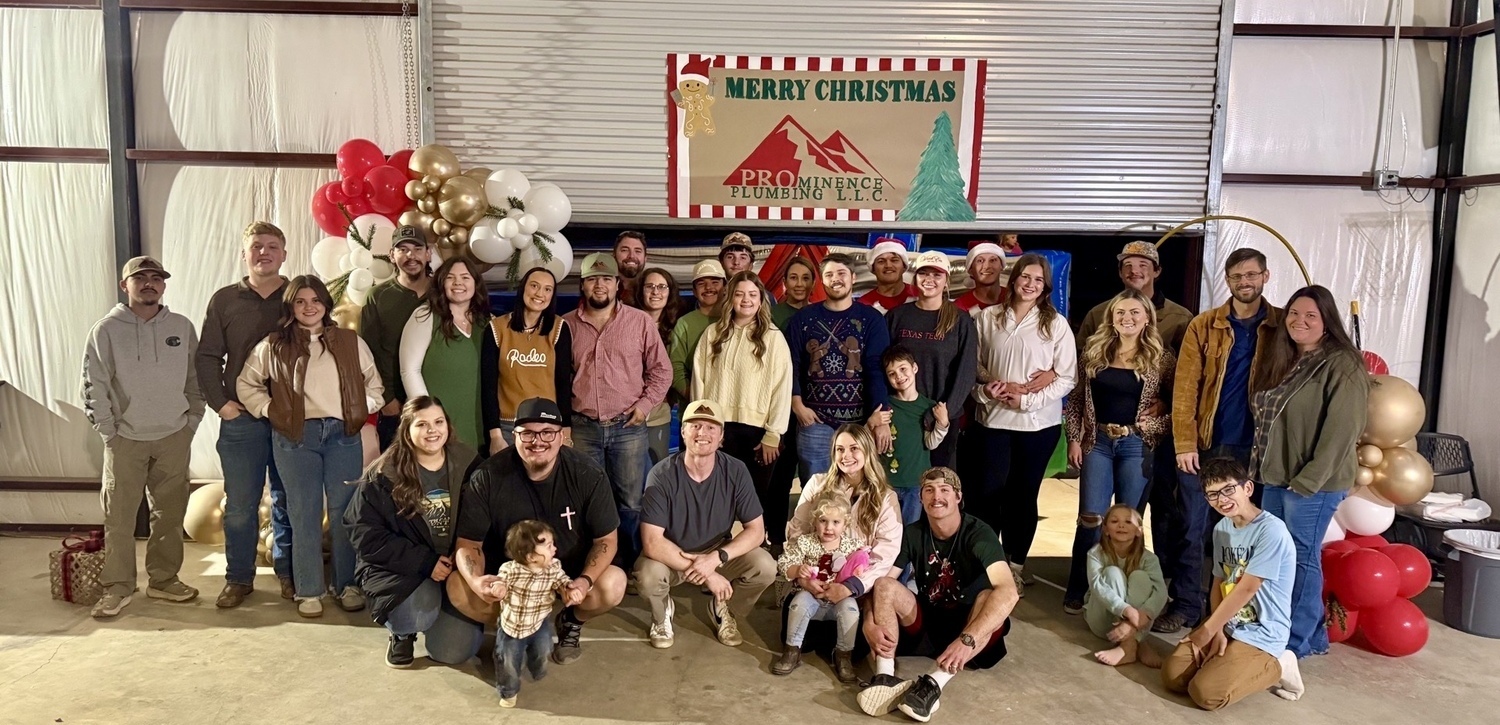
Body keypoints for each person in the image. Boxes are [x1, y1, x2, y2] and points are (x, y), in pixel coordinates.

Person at [237, 275, 383, 617]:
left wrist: (361, 408)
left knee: (345, 512)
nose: (309, 307)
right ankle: (309, 590)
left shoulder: (350, 342)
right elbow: (247, 384)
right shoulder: (273, 345)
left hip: (342, 437)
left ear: (325, 304)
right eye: (300, 301)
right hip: (295, 438)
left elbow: (374, 384)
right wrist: (269, 409)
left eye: (315, 300)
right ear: (290, 306)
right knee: (303, 513)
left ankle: (346, 585)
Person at [1160, 247, 1283, 633]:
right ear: (1227, 280)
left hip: (1257, 451)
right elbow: (1185, 389)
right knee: (1192, 528)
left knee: (1245, 532)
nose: (1244, 282)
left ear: (1265, 276)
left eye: (1251, 275)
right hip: (1207, 446)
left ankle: (1235, 613)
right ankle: (1186, 605)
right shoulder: (1204, 325)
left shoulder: (1281, 325)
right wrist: (1184, 444)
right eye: (1237, 276)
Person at [453, 397, 627, 666]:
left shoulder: (588, 474)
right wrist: (477, 581)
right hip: (510, 580)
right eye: (528, 433)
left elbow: (606, 540)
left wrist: (584, 581)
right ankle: (516, 629)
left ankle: (571, 621)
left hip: (567, 575)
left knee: (613, 584)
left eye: (547, 432)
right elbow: (468, 542)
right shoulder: (487, 476)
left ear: (561, 436)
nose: (538, 441)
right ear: (514, 435)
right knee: (457, 586)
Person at [82, 256, 206, 618]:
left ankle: (164, 580)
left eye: (156, 278)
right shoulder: (106, 330)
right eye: (140, 278)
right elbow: (93, 384)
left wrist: (191, 422)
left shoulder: (181, 327)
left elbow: (195, 379)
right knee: (119, 518)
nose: (149, 283)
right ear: (126, 285)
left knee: (169, 515)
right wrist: (109, 432)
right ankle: (118, 587)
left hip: (173, 436)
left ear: (164, 285)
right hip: (125, 439)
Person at [1251, 285, 1369, 659]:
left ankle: (1294, 642)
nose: (1299, 321)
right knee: (1278, 557)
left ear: (1327, 321)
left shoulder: (1342, 363)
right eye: (1293, 314)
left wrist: (1309, 480)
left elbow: (1343, 429)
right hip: (1276, 477)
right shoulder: (1287, 359)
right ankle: (1309, 633)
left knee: (1301, 558)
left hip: (1311, 483)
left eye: (1310, 316)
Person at [858, 467, 1018, 722]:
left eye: (945, 490)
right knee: (884, 585)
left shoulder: (979, 533)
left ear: (958, 497)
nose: (937, 496)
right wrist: (869, 621)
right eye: (929, 490)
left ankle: (933, 684)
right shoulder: (914, 532)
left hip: (972, 629)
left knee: (990, 596)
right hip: (930, 622)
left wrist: (966, 640)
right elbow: (881, 584)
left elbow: (1009, 592)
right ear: (920, 498)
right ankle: (885, 676)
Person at [345, 396, 484, 669]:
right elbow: (363, 534)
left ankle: (446, 618)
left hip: (456, 567)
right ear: (406, 431)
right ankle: (402, 633)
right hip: (405, 570)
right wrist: (424, 562)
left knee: (454, 652)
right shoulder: (384, 474)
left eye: (438, 422)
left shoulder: (470, 464)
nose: (432, 430)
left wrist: (469, 560)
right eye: (422, 424)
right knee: (416, 613)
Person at [200, 221, 296, 608]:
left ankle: (289, 574)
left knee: (288, 501)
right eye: (257, 246)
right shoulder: (225, 300)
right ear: (245, 254)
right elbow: (207, 356)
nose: (264, 252)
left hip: (291, 419)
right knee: (240, 506)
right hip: (241, 421)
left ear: (284, 254)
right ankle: (239, 578)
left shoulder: (298, 296)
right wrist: (221, 404)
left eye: (272, 246)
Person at [1062, 289, 1175, 612]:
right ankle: (1079, 587)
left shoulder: (1161, 358)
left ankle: (1124, 590)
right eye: (1121, 312)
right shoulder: (1093, 352)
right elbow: (1076, 400)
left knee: (1129, 521)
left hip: (1137, 444)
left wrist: (1154, 421)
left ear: (1147, 318)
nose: (1127, 318)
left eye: (1135, 312)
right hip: (1097, 442)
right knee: (1091, 518)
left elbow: (1177, 406)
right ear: (1111, 317)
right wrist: (1074, 438)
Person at [970, 253, 1076, 591]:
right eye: (1025, 277)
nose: (1030, 284)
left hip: (1037, 426)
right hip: (993, 422)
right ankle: (988, 564)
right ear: (1014, 278)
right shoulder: (987, 318)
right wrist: (990, 386)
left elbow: (1067, 377)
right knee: (987, 495)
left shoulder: (1055, 324)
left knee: (1023, 496)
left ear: (1045, 287)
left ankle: (1015, 564)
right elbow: (973, 367)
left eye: (1038, 280)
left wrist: (1027, 399)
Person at [1162, 458, 1303, 710]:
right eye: (1213, 494)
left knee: (1206, 694)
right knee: (1173, 676)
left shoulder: (1271, 531)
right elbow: (1218, 579)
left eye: (1228, 489)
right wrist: (1217, 629)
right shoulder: (1222, 528)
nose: (1222, 499)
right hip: (1229, 622)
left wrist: (1206, 631)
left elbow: (1248, 588)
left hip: (1262, 630)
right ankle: (1226, 662)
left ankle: (1281, 664)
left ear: (1247, 488)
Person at [637, 400, 778, 649]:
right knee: (649, 577)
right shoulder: (661, 474)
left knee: (765, 566)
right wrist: (708, 574)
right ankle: (661, 615)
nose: (703, 433)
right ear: (683, 432)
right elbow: (652, 542)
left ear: (721, 436)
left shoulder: (735, 470)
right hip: (673, 554)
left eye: (711, 427)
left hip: (717, 551)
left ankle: (725, 608)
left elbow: (756, 531)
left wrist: (717, 558)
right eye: (695, 426)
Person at [565, 253, 672, 567]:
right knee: (586, 498)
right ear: (582, 285)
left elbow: (662, 371)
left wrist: (644, 406)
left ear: (617, 284)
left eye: (606, 279)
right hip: (582, 427)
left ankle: (631, 565)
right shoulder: (566, 325)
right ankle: (594, 566)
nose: (599, 285)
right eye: (592, 279)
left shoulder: (639, 322)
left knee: (631, 501)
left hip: (628, 427)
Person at [691, 271, 793, 534]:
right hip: (720, 429)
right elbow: (699, 382)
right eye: (739, 294)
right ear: (730, 298)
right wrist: (704, 427)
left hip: (759, 432)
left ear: (761, 300)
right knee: (717, 494)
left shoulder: (773, 337)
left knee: (755, 498)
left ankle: (755, 547)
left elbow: (782, 388)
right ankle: (715, 545)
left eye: (752, 294)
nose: (746, 300)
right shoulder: (713, 334)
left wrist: (773, 433)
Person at [786, 253, 893, 476]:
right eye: (829, 275)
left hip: (860, 422)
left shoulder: (871, 319)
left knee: (857, 487)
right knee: (816, 489)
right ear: (822, 281)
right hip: (814, 421)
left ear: (853, 277)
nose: (836, 279)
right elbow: (790, 365)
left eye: (841, 273)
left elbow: (877, 368)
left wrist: (881, 416)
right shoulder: (803, 319)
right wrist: (797, 404)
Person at [788, 425, 903, 609]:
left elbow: (886, 553)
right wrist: (803, 577)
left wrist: (851, 586)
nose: (846, 456)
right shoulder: (817, 485)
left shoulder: (885, 498)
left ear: (867, 451)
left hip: (858, 588)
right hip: (814, 582)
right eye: (840, 449)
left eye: (854, 448)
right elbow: (797, 533)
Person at [886, 251, 976, 468]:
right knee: (902, 474)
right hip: (903, 413)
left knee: (939, 477)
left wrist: (943, 413)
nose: (929, 279)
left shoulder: (960, 320)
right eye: (923, 273)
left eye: (937, 274)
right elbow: (883, 365)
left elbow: (966, 372)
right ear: (914, 278)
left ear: (946, 281)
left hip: (941, 414)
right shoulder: (897, 316)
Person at [774, 492, 869, 680]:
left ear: (845, 524)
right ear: (814, 521)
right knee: (798, 604)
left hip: (839, 599)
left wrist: (859, 570)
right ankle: (792, 650)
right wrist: (798, 570)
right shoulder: (805, 542)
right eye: (823, 521)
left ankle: (844, 655)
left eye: (836, 522)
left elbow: (864, 563)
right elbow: (784, 563)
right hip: (810, 595)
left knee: (851, 610)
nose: (829, 527)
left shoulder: (852, 546)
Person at [399, 256, 490, 450]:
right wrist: (427, 417)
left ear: (476, 284)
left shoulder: (487, 322)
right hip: (439, 427)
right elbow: (409, 370)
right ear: (441, 283)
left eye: (465, 277)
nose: (458, 283)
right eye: (450, 277)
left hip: (478, 424)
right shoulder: (425, 316)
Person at [480, 266, 572, 452]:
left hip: (547, 425)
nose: (540, 294)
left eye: (547, 289)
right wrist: (495, 436)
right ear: (523, 288)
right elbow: (488, 386)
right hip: (508, 426)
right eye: (534, 286)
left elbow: (563, 385)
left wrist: (566, 433)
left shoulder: (559, 328)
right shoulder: (497, 328)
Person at [489, 520, 575, 708]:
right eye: (549, 546)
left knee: (543, 650)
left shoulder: (553, 567)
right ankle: (509, 691)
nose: (555, 549)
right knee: (508, 661)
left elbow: (561, 580)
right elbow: (501, 580)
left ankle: (537, 669)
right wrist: (498, 588)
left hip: (539, 622)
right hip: (512, 628)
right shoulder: (511, 570)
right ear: (530, 557)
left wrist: (569, 588)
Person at [361, 225, 433, 449]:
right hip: (395, 405)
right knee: (396, 465)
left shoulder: (443, 292)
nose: (411, 255)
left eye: (417, 249)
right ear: (392, 255)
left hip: (438, 397)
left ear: (428, 254)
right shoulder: (378, 296)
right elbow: (368, 353)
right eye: (403, 249)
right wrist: (387, 399)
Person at [1082, 505, 1168, 667]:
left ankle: (1130, 644)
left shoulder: (1149, 559)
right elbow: (1097, 587)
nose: (1121, 525)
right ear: (1106, 530)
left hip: (1138, 622)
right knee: (1112, 573)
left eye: (1128, 522)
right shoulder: (1095, 554)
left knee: (1140, 577)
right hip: (1104, 624)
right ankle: (1136, 644)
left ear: (1139, 531)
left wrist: (1143, 615)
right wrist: (1126, 610)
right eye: (1114, 521)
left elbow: (1161, 592)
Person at [880, 345, 949, 524]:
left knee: (910, 530)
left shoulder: (929, 407)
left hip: (915, 483)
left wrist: (942, 424)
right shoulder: (884, 406)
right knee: (887, 530)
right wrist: (872, 422)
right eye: (892, 373)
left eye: (903, 369)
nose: (899, 376)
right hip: (886, 483)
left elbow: (931, 443)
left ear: (915, 368)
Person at [631, 267, 680, 466]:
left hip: (659, 413)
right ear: (640, 291)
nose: (655, 292)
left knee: (657, 468)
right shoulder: (624, 322)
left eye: (662, 287)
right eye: (649, 286)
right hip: (626, 413)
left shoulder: (677, 327)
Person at [668, 259, 727, 400]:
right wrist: (696, 398)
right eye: (701, 284)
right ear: (694, 291)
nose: (708, 287)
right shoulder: (684, 324)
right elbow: (675, 367)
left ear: (725, 288)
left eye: (715, 282)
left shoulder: (735, 320)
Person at [859, 238, 917, 314]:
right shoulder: (863, 305)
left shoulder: (920, 296)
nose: (888, 265)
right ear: (873, 269)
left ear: (904, 266)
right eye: (881, 261)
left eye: (894, 260)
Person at [953, 242, 1007, 315]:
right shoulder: (959, 307)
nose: (987, 266)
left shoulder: (1014, 298)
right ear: (970, 270)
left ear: (1001, 266)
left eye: (992, 260)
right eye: (980, 261)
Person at [770, 255, 817, 329]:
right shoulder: (772, 315)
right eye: (793, 278)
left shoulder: (821, 313)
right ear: (785, 282)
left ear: (813, 283)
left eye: (805, 278)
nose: (799, 284)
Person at [613, 230, 648, 306]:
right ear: (614, 255)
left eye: (638, 251)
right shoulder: (603, 289)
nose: (631, 256)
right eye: (625, 250)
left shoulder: (653, 292)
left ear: (645, 258)